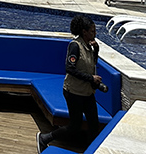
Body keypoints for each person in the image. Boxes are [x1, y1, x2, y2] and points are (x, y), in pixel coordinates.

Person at [37, 15, 103, 151]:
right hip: (74, 92)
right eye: (92, 31)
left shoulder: (89, 46)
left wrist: (96, 50)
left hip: (87, 92)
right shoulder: (75, 46)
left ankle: (91, 150)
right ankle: (45, 138)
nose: (95, 34)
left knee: (94, 124)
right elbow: (69, 68)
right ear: (84, 32)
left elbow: (92, 63)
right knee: (74, 126)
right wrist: (91, 78)